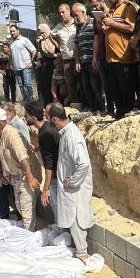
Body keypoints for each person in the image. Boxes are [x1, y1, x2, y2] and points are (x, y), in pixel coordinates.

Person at [51, 103, 95, 260]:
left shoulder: (72, 136)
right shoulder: (66, 133)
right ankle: (80, 250)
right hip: (71, 187)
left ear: (55, 119)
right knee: (72, 215)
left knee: (76, 217)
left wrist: (73, 181)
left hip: (76, 188)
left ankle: (82, 252)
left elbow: (83, 163)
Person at [0, 106, 40, 229]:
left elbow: (23, 156)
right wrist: (4, 174)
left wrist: (29, 177)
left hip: (26, 176)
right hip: (15, 177)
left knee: (26, 210)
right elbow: (3, 157)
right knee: (20, 207)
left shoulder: (11, 134)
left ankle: (31, 238)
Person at [102, 0, 139, 119]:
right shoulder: (112, 9)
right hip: (111, 57)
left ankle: (127, 113)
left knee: (126, 88)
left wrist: (112, 24)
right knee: (114, 88)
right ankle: (119, 113)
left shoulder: (128, 7)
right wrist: (107, 26)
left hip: (124, 56)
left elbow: (131, 28)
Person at [27, 104, 60, 224]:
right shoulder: (47, 127)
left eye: (27, 116)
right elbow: (51, 148)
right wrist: (37, 148)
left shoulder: (45, 133)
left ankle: (63, 235)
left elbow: (49, 164)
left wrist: (45, 189)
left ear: (34, 118)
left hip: (56, 176)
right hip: (58, 173)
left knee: (57, 208)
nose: (26, 118)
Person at [73, 3, 103, 112]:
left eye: (76, 15)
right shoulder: (78, 27)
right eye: (74, 15)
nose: (75, 18)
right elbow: (77, 45)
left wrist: (96, 59)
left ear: (83, 12)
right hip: (83, 62)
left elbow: (98, 40)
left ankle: (101, 109)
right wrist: (77, 61)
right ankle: (93, 110)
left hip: (93, 60)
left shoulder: (93, 22)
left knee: (96, 87)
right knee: (86, 88)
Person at [90, 0, 113, 112]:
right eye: (92, 6)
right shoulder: (95, 19)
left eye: (96, 5)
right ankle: (109, 109)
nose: (94, 8)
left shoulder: (112, 12)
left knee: (115, 82)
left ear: (102, 2)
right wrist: (95, 57)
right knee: (106, 84)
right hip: (102, 55)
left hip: (114, 54)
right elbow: (96, 37)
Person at [54, 4, 79, 105]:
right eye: (60, 12)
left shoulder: (77, 23)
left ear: (68, 11)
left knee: (82, 85)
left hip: (78, 60)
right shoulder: (59, 27)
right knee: (71, 85)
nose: (61, 14)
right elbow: (50, 35)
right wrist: (59, 46)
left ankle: (88, 106)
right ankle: (76, 107)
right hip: (67, 61)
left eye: (63, 12)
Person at [8, 25, 37, 102]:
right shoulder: (11, 42)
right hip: (16, 69)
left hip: (25, 67)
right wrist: (11, 65)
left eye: (13, 31)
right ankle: (25, 101)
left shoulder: (24, 40)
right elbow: (10, 55)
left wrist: (31, 61)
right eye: (11, 31)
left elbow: (33, 50)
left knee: (27, 84)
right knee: (21, 86)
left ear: (18, 31)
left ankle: (31, 99)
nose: (12, 33)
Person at [35, 23, 59, 105]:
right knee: (45, 85)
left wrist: (55, 56)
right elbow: (43, 54)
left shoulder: (53, 38)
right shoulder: (41, 42)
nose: (42, 35)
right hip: (46, 66)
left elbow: (59, 49)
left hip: (56, 65)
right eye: (40, 33)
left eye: (43, 32)